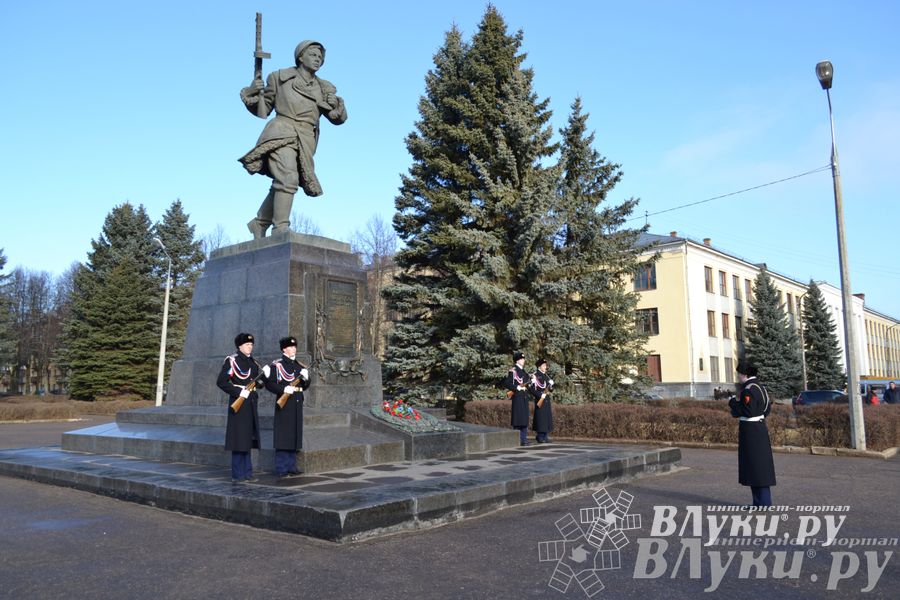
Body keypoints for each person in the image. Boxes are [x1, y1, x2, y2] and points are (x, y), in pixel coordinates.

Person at [239, 40, 348, 238]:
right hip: (281, 131)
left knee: (286, 181)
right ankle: (280, 228)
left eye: (320, 57)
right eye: (313, 55)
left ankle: (260, 222)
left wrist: (336, 105)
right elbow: (263, 108)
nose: (318, 59)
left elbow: (336, 119)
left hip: (306, 139)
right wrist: (253, 90)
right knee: (288, 178)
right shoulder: (280, 78)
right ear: (300, 56)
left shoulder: (324, 88)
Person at [217, 333, 267, 483]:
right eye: (247, 344)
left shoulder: (253, 362)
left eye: (251, 344)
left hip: (251, 403)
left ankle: (248, 473)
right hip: (238, 402)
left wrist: (261, 381)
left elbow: (256, 381)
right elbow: (222, 382)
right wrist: (239, 391)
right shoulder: (232, 361)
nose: (250, 346)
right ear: (239, 346)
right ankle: (238, 474)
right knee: (239, 439)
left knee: (247, 438)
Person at [728, 361, 776, 507]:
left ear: (745, 374)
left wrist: (732, 403)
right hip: (759, 428)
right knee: (757, 467)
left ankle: (763, 503)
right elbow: (767, 409)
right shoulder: (760, 387)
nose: (739, 377)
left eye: (740, 374)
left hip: (751, 431)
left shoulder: (748, 389)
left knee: (755, 466)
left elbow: (747, 411)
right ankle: (759, 502)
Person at [266, 336, 311, 477]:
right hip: (284, 403)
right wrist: (284, 389)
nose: (294, 349)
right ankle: (281, 468)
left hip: (297, 402)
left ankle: (292, 466)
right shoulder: (277, 365)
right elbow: (270, 383)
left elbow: (304, 386)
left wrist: (307, 378)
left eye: (295, 347)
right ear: (284, 349)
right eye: (291, 347)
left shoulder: (299, 365)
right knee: (284, 435)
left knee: (294, 434)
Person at [503, 351, 532, 446]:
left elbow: (527, 383)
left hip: (524, 397)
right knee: (518, 420)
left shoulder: (524, 372)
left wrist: (532, 381)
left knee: (524, 419)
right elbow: (507, 383)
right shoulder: (513, 371)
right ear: (517, 360)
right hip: (518, 397)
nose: (523, 360)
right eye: (521, 359)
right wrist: (516, 387)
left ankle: (523, 438)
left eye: (523, 359)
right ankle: (518, 439)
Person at [530, 358, 554, 443]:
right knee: (541, 418)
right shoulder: (535, 375)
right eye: (544, 365)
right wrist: (540, 395)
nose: (545, 367)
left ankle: (545, 435)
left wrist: (551, 385)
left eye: (546, 365)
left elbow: (549, 389)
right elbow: (532, 389)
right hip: (540, 399)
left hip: (546, 399)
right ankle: (540, 436)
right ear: (539, 366)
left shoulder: (546, 376)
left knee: (546, 418)